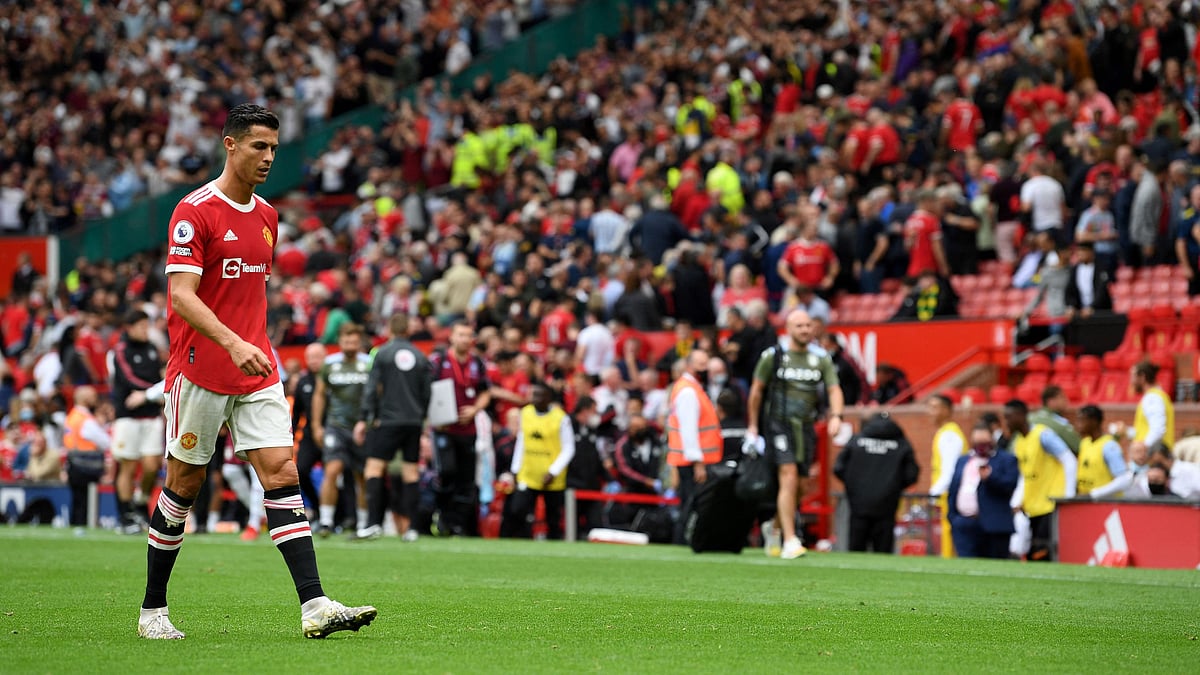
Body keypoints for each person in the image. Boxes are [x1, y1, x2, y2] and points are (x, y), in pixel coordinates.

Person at [144, 104, 374, 640]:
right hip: (200, 370)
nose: (269, 157)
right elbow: (181, 296)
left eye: (274, 148)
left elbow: (250, 295)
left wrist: (254, 345)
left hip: (257, 369)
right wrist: (231, 340)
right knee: (184, 485)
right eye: (258, 147)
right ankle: (153, 610)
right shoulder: (193, 211)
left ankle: (314, 605)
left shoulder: (268, 216)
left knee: (283, 475)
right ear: (230, 144)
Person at [747, 309, 844, 559]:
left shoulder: (821, 358)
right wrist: (753, 426)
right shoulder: (774, 356)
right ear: (788, 329)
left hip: (806, 426)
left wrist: (836, 416)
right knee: (788, 475)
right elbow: (756, 391)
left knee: (801, 485)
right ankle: (790, 539)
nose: (804, 330)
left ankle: (775, 525)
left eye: (808, 325)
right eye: (799, 326)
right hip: (778, 424)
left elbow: (834, 389)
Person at [353, 314, 432, 541]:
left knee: (374, 469)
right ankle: (413, 529)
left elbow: (371, 388)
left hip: (387, 420)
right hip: (413, 422)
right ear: (409, 330)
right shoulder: (420, 356)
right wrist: (421, 417)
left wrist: (366, 418)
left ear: (389, 329)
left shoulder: (382, 353)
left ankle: (373, 524)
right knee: (411, 472)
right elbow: (427, 392)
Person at [429, 320, 491, 536]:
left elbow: (485, 392)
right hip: (444, 429)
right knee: (447, 473)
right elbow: (427, 391)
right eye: (461, 335)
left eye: (468, 335)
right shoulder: (438, 361)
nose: (465, 339)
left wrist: (475, 410)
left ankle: (458, 525)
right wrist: (436, 416)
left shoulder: (477, 363)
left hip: (468, 430)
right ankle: (441, 518)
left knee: (466, 479)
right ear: (452, 337)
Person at [312, 322, 372, 537]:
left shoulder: (368, 364)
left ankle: (363, 524)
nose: (350, 345)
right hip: (336, 425)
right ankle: (327, 521)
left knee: (362, 475)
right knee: (332, 470)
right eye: (346, 341)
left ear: (359, 342)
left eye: (354, 341)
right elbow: (319, 394)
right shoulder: (329, 364)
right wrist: (316, 425)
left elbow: (377, 394)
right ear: (340, 342)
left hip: (361, 427)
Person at [109, 309, 166, 534]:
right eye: (142, 326)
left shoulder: (152, 349)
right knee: (128, 466)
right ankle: (125, 515)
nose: (146, 330)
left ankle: (141, 500)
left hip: (151, 414)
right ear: (130, 327)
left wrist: (149, 394)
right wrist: (154, 391)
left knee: (152, 465)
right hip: (128, 416)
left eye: (147, 326)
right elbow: (128, 378)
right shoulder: (121, 350)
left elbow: (161, 377)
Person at [832, 412, 919, 553]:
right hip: (887, 505)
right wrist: (893, 487)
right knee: (883, 551)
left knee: (856, 552)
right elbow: (911, 474)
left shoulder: (857, 440)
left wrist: (854, 487)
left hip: (858, 504)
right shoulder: (901, 443)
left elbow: (838, 468)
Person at [1004, 399, 1077, 562]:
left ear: (1021, 415)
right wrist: (1018, 499)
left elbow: (1069, 460)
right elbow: (1026, 474)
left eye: (1009, 417)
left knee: (1043, 551)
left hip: (1050, 503)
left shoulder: (1043, 435)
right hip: (1033, 505)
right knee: (1034, 553)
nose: (1006, 421)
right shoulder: (1020, 442)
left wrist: (1068, 496)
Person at [666, 348, 723, 544]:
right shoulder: (689, 392)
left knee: (690, 505)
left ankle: (685, 541)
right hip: (692, 462)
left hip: (691, 460)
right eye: (701, 365)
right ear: (689, 366)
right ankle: (682, 542)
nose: (705, 369)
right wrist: (698, 462)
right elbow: (688, 430)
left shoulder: (692, 388)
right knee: (691, 506)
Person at [505, 383, 575, 539]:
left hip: (552, 478)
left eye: (538, 395)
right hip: (528, 473)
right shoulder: (526, 413)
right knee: (518, 510)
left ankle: (554, 548)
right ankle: (524, 541)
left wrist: (553, 471)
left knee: (553, 518)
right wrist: (515, 469)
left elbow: (569, 448)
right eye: (533, 394)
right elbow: (521, 441)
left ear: (548, 397)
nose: (534, 398)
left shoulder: (560, 418)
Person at [946, 423, 1020, 559]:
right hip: (964, 523)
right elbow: (954, 489)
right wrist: (953, 518)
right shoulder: (963, 460)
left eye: (984, 442)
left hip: (994, 525)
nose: (981, 447)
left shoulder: (1006, 460)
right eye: (977, 442)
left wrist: (991, 478)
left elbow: (1010, 485)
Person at [63, 385, 112, 527]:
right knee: (86, 503)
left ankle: (75, 526)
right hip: (86, 465)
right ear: (85, 399)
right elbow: (105, 442)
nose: (96, 398)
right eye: (93, 396)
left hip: (72, 464)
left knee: (77, 500)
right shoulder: (86, 420)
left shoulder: (71, 416)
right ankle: (84, 525)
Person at [926, 394, 967, 559]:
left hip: (950, 495)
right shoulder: (944, 433)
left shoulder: (949, 435)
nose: (930, 412)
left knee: (948, 534)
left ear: (946, 410)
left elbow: (949, 470)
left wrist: (933, 492)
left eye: (935, 407)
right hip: (946, 495)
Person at [292, 343, 327, 521]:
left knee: (340, 474)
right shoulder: (303, 382)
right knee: (301, 471)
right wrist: (291, 437)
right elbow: (297, 412)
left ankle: (345, 516)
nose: (314, 361)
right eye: (310, 357)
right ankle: (318, 506)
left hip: (332, 431)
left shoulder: (331, 378)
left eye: (317, 357)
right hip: (309, 434)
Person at [1075, 405, 1132, 499]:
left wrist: (1094, 494)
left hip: (1105, 504)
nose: (1078, 425)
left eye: (1082, 420)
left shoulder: (1109, 446)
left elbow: (1124, 479)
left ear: (1094, 421)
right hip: (1086, 502)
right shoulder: (1084, 443)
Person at [1131, 361, 1174, 450]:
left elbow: (1158, 430)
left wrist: (1143, 448)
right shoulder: (1155, 396)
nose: (1131, 382)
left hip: (1153, 457)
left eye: (1133, 376)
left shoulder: (1153, 398)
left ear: (1142, 377)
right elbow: (1144, 430)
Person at [1028, 385, 1081, 455]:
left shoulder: (1029, 417)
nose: (1066, 400)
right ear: (1051, 401)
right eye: (1062, 397)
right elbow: (1079, 446)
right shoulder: (1058, 423)